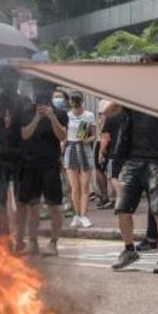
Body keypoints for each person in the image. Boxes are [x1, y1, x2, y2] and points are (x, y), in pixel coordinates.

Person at [109, 54, 158, 275]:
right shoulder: (133, 96)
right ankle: (129, 250)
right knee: (122, 208)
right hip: (133, 160)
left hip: (156, 161)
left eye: (147, 67)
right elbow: (109, 111)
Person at [17, 81, 68, 257]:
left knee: (54, 205)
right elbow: (24, 134)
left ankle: (53, 243)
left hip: (51, 164)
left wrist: (51, 117)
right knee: (32, 205)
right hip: (30, 164)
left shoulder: (60, 113)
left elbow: (62, 136)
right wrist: (37, 117)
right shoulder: (26, 112)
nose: (42, 96)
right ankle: (32, 242)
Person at [0, 68, 31, 247]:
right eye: (6, 80)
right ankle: (4, 237)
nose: (9, 84)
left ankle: (20, 237)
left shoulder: (24, 102)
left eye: (12, 80)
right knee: (0, 201)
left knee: (21, 200)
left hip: (20, 157)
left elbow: (29, 128)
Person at [63, 91, 96, 229]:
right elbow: (64, 134)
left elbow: (94, 135)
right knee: (74, 187)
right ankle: (77, 215)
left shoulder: (89, 115)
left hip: (84, 149)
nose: (73, 102)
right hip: (71, 148)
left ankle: (83, 215)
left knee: (84, 186)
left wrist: (86, 139)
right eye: (72, 100)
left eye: (75, 100)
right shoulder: (67, 115)